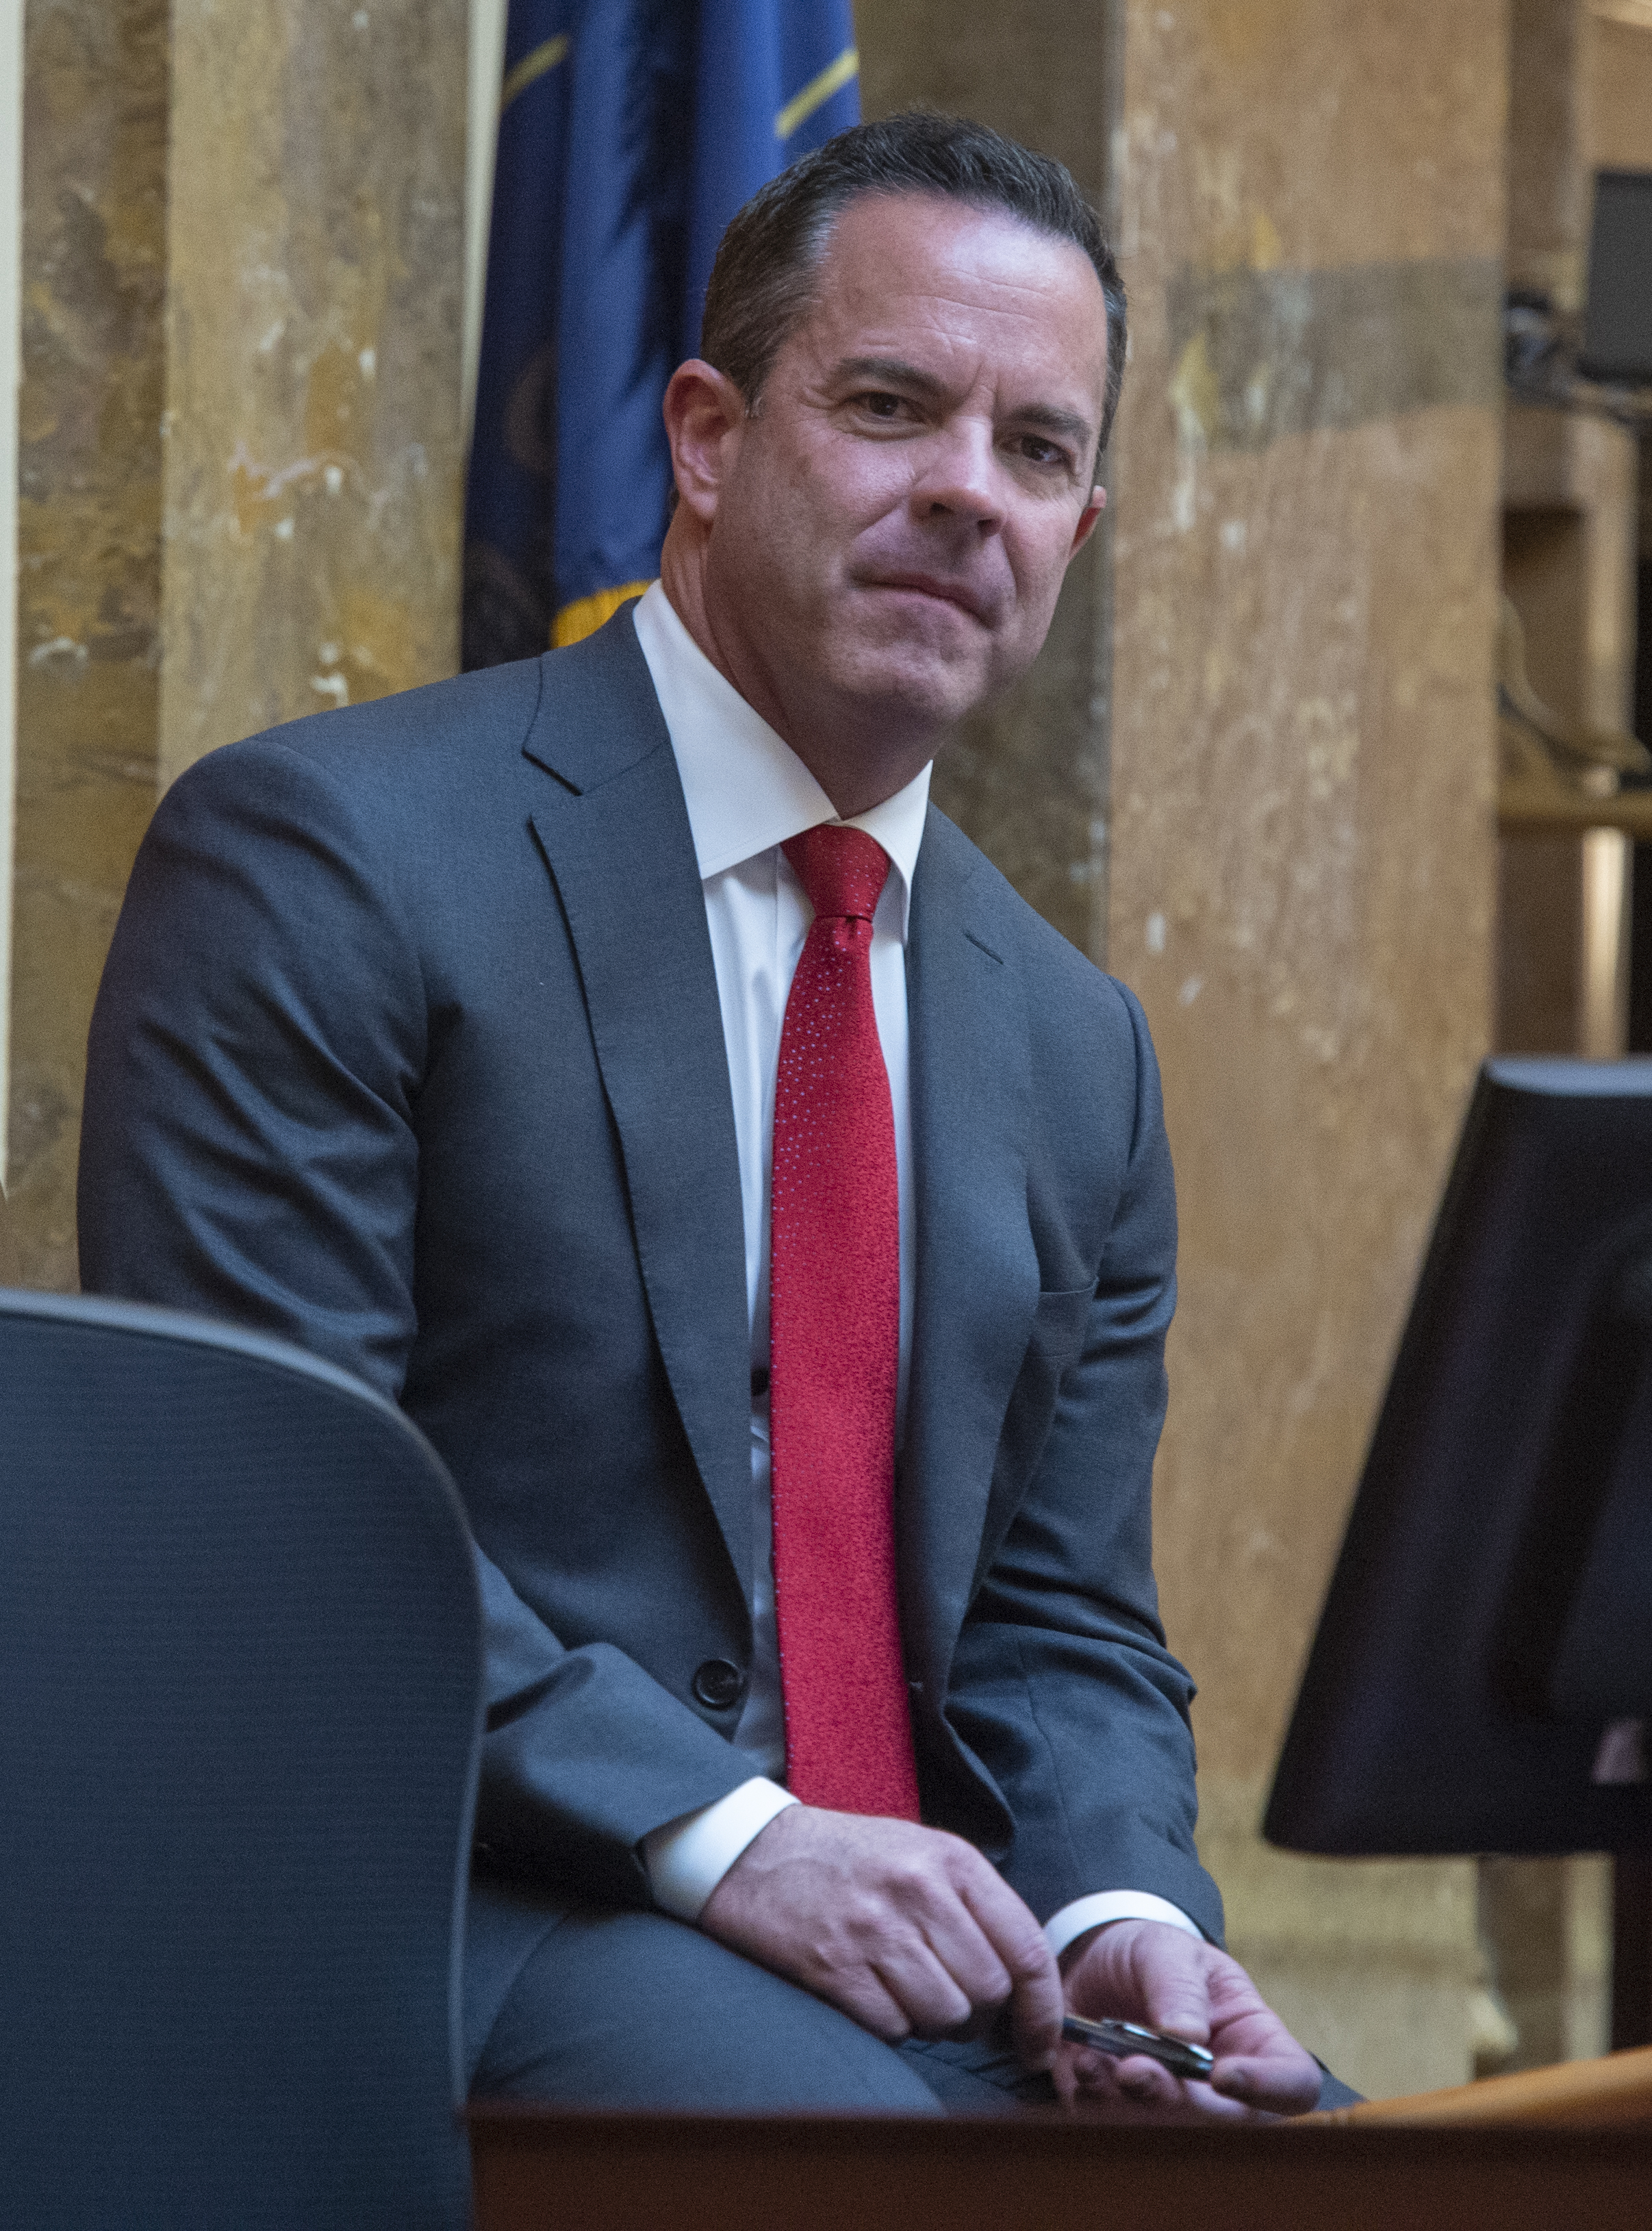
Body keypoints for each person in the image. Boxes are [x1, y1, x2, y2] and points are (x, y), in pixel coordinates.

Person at [79, 114, 1342, 2117]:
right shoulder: (328, 859)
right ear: (703, 436)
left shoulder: (1075, 1042)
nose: (964, 494)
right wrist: (731, 1834)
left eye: (1035, 451)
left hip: (943, 1953)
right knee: (875, 2158)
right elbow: (284, 1533)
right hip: (466, 1901)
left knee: (1332, 2169)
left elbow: (1059, 1615)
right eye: (890, 405)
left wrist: (1118, 1910)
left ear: (1081, 536)